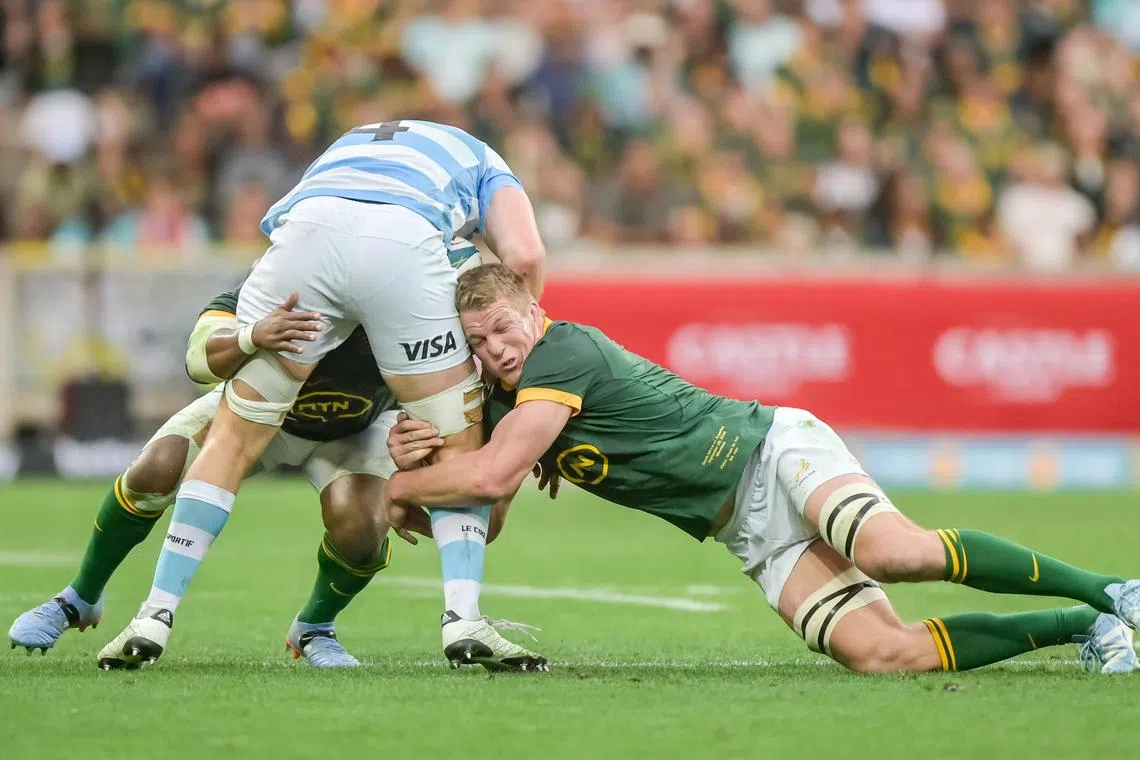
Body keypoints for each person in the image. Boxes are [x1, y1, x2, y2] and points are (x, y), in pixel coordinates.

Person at [383, 263, 1140, 675]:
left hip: (770, 453)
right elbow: (496, 509)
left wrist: (399, 487)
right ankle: (1084, 625)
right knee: (883, 655)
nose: (495, 351)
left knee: (892, 551)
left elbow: (486, 481)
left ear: (533, 313)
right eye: (478, 344)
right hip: (745, 530)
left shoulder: (562, 353)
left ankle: (1115, 590)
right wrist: (420, 468)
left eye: (502, 330)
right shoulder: (517, 396)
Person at [99, 121, 548, 672]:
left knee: (230, 441)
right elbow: (523, 258)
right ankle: (463, 620)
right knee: (457, 448)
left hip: (307, 236)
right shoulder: (483, 163)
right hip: (402, 247)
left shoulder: (349, 148)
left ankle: (155, 615)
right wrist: (522, 363)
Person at [11, 283, 395, 669]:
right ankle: (80, 598)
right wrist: (250, 335)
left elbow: (441, 379)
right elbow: (198, 359)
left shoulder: (401, 295)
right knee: (156, 468)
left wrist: (419, 463)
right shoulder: (271, 284)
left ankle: (315, 626)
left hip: (359, 430)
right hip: (256, 413)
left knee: (362, 526)